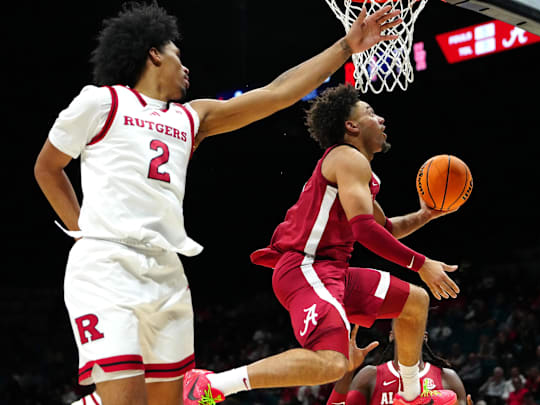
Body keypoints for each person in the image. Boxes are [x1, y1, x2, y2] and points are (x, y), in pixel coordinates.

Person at [33, 3, 403, 405]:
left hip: (167, 271)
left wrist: (346, 46)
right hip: (107, 267)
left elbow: (278, 93)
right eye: (177, 54)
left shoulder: (192, 118)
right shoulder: (101, 103)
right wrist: (87, 234)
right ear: (154, 53)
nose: (186, 67)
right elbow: (48, 168)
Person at [183, 84, 462, 405]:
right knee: (333, 363)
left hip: (331, 271)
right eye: (371, 113)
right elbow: (366, 230)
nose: (381, 119)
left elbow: (386, 228)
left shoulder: (357, 171)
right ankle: (212, 385)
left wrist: (427, 214)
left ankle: (410, 395)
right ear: (351, 126)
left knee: (414, 302)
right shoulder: (346, 158)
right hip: (305, 268)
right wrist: (421, 263)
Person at [325, 322, 472, 405]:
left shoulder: (447, 377)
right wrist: (348, 371)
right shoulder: (370, 375)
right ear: (391, 336)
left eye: (414, 322)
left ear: (425, 336)